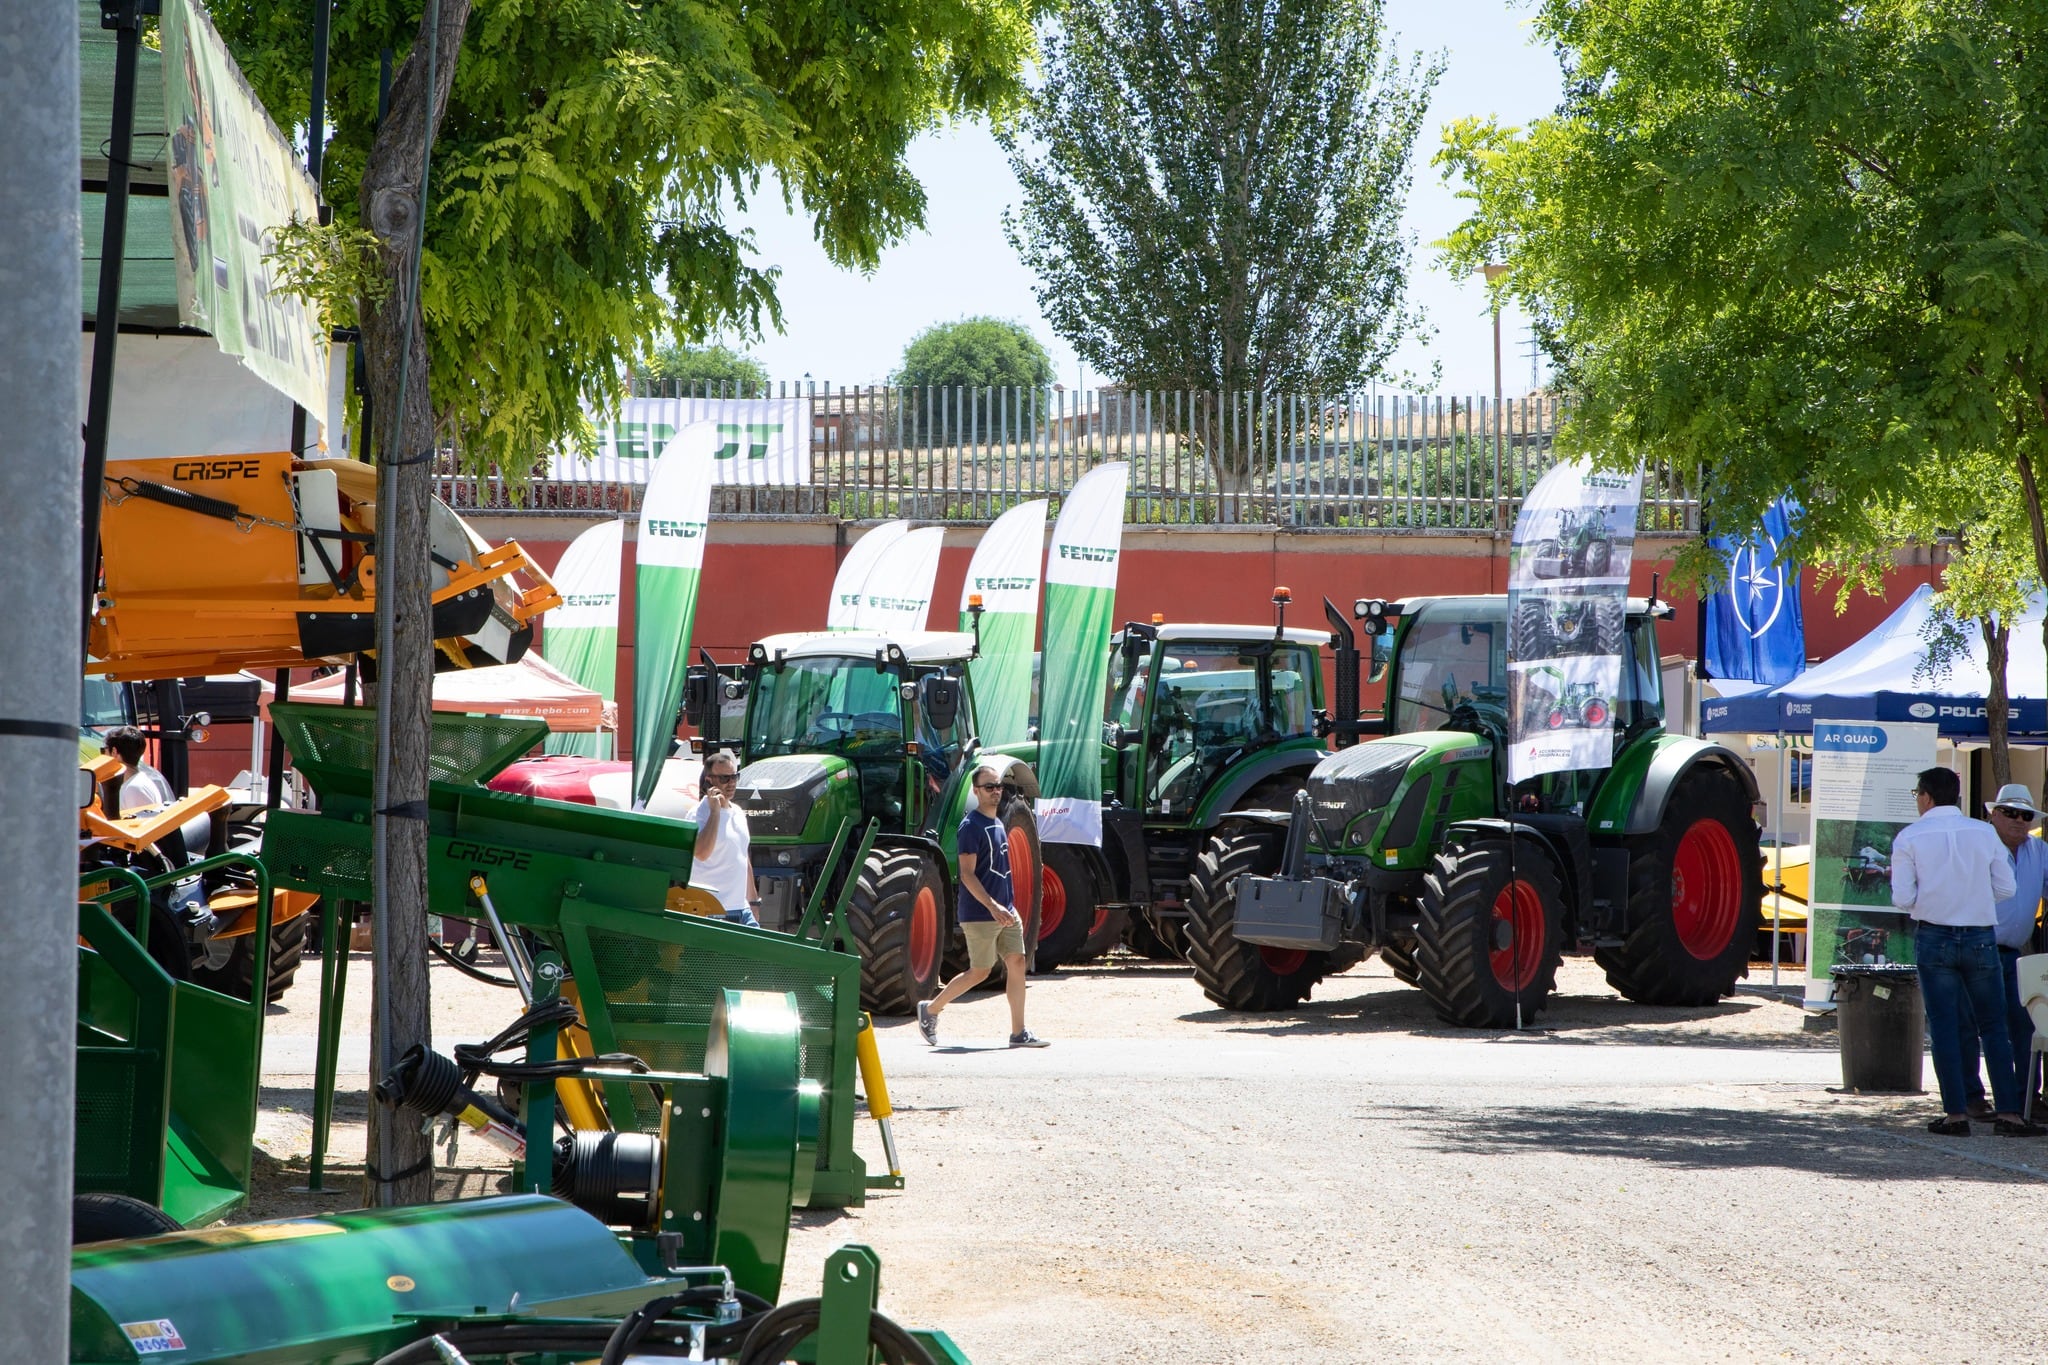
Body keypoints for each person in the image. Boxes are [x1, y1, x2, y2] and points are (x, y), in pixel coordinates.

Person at [1891, 766, 2041, 1135]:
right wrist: (1972, 898)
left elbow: (1903, 897)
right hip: (1979, 936)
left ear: (1925, 797)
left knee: (1945, 1026)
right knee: (1994, 1026)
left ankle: (1956, 1113)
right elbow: (2007, 888)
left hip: (1935, 935)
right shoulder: (1982, 834)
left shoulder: (1910, 837)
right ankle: (2009, 1111)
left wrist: (1935, 903)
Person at [916, 764, 1049, 1048]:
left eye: (998, 786)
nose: (995, 792)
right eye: (989, 787)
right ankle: (930, 1010)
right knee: (980, 971)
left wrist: (1007, 907)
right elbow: (966, 874)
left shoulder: (999, 823)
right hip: (981, 913)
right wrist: (992, 907)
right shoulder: (970, 826)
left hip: (1005, 911)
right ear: (976, 791)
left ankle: (1018, 1032)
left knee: (1017, 962)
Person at [1962, 783, 2048, 1117]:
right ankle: (1971, 1096)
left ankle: (2024, 1097)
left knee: (2025, 1024)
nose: (2018, 820)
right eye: (2010, 813)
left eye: (2025, 815)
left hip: (2013, 952)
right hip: (1975, 945)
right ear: (1993, 814)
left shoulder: (2039, 851)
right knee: (1971, 1024)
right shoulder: (1977, 846)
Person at [688, 750, 760, 928]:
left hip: (742, 908)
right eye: (724, 779)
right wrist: (715, 812)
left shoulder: (738, 812)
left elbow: (743, 857)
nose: (731, 783)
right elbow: (701, 853)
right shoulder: (698, 814)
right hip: (712, 910)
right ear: (709, 780)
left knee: (759, 954)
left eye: (734, 777)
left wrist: (753, 901)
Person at [103, 726, 175, 813]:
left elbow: (140, 824)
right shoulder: (136, 783)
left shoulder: (134, 788)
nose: (103, 755)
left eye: (104, 750)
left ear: (114, 752)